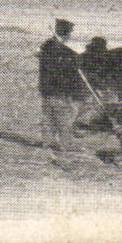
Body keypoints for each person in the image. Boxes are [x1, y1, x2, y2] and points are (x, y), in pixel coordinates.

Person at [38, 18, 83, 152]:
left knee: (48, 117)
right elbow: (61, 69)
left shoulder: (47, 46)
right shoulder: (60, 50)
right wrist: (73, 62)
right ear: (66, 33)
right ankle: (65, 145)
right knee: (64, 117)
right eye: (69, 32)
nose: (70, 34)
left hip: (46, 88)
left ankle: (48, 143)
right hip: (58, 89)